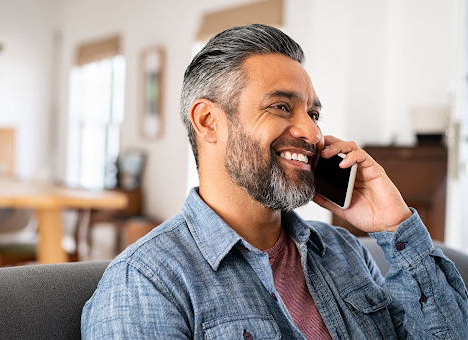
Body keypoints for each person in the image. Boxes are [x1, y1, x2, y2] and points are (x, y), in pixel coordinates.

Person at [81, 24, 468, 339]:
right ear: (208, 122)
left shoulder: (344, 252)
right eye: (281, 107)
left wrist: (394, 224)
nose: (312, 133)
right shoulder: (147, 282)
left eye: (313, 114)